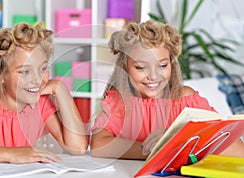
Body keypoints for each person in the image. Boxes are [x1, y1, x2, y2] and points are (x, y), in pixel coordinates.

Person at [90, 20, 244, 160]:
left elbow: (238, 151)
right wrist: (152, 150)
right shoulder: (119, 101)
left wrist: (176, 141)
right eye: (141, 67)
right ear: (125, 67)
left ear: (171, 64)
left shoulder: (187, 100)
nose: (153, 76)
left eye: (162, 66)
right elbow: (98, 146)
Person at [0, 22, 88, 163]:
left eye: (43, 69)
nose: (37, 80)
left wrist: (61, 89)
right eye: (25, 72)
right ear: (1, 75)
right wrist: (10, 154)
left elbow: (78, 148)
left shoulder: (40, 104)